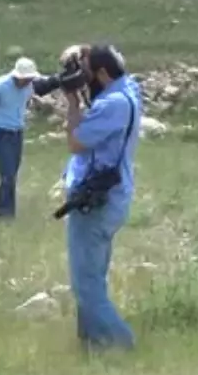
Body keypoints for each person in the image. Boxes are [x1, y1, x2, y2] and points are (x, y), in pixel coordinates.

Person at [60, 44, 142, 352]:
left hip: (97, 202)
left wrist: (72, 102)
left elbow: (75, 142)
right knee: (94, 276)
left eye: (87, 74)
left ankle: (121, 344)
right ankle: (92, 343)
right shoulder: (128, 90)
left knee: (86, 284)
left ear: (103, 74)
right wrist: (82, 57)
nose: (84, 80)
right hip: (114, 196)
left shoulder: (112, 105)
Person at [0, 56, 39, 218]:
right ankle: (3, 212)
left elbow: (24, 104)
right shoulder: (0, 86)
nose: (27, 82)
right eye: (25, 79)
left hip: (17, 133)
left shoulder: (29, 88)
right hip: (0, 133)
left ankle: (6, 210)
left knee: (12, 174)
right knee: (7, 175)